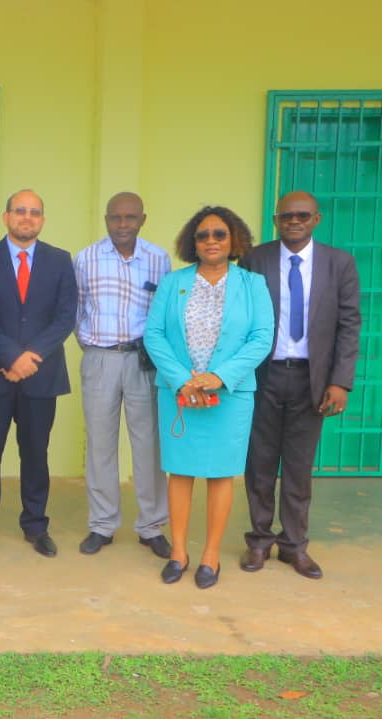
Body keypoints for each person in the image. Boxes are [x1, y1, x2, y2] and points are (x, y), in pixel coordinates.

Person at [143, 206, 273, 589]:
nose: (211, 241)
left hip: (231, 395)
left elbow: (261, 338)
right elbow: (154, 335)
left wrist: (219, 377)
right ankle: (178, 553)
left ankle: (210, 556)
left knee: (220, 473)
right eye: (203, 235)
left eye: (219, 234)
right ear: (193, 242)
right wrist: (183, 380)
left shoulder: (252, 284)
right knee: (180, 471)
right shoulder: (173, 283)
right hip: (179, 392)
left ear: (234, 240)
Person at [239, 191, 361, 580]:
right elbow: (239, 317)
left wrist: (340, 381)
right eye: (286, 215)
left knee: (298, 466)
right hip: (264, 375)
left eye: (303, 215)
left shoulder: (339, 263)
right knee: (259, 463)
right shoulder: (255, 259)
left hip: (313, 378)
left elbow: (349, 324)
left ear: (316, 219)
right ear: (276, 220)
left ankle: (294, 545)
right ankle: (259, 540)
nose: (294, 220)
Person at [0, 190, 77, 560]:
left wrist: (30, 358)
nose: (27, 217)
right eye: (20, 211)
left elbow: (65, 317)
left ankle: (36, 525)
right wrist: (12, 357)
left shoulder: (60, 260)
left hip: (41, 376)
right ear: (6, 216)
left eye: (35, 212)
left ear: (42, 220)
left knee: (36, 454)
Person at [74, 192, 171, 558]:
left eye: (130, 217)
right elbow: (77, 310)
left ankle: (151, 526)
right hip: (100, 358)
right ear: (106, 220)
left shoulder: (159, 259)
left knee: (149, 445)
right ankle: (102, 524)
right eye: (115, 217)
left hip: (144, 361)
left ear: (143, 219)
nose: (123, 224)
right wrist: (93, 349)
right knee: (100, 444)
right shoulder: (85, 259)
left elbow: (164, 312)